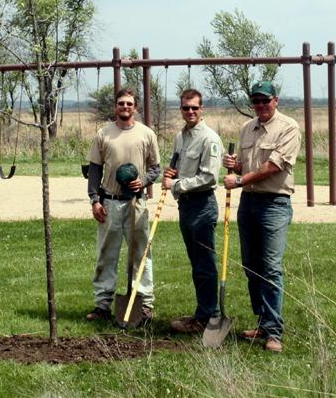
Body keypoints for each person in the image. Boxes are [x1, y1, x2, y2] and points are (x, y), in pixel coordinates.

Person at [223, 80, 301, 353]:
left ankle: (274, 333)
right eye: (256, 101)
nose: (260, 106)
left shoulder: (288, 127)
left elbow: (272, 166)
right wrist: (235, 165)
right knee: (251, 265)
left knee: (270, 268)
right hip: (249, 203)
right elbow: (248, 165)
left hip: (275, 204)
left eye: (265, 100)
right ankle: (262, 322)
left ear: (275, 100)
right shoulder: (247, 128)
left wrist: (240, 178)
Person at [85, 88, 161, 322]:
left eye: (129, 104)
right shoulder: (104, 134)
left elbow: (155, 168)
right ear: (115, 107)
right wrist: (95, 200)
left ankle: (145, 304)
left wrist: (144, 181)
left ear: (135, 108)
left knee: (141, 254)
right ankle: (102, 305)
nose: (125, 107)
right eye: (121, 103)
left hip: (136, 204)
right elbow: (94, 170)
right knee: (106, 255)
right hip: (110, 203)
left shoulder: (146, 134)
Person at [161, 89, 224, 334]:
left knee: (204, 264)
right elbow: (177, 165)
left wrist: (176, 185)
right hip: (185, 206)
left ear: (202, 108)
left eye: (194, 108)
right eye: (186, 108)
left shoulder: (210, 139)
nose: (190, 112)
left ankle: (211, 316)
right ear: (181, 109)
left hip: (202, 206)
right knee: (195, 263)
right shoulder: (181, 137)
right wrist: (171, 173)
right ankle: (203, 312)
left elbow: (209, 178)